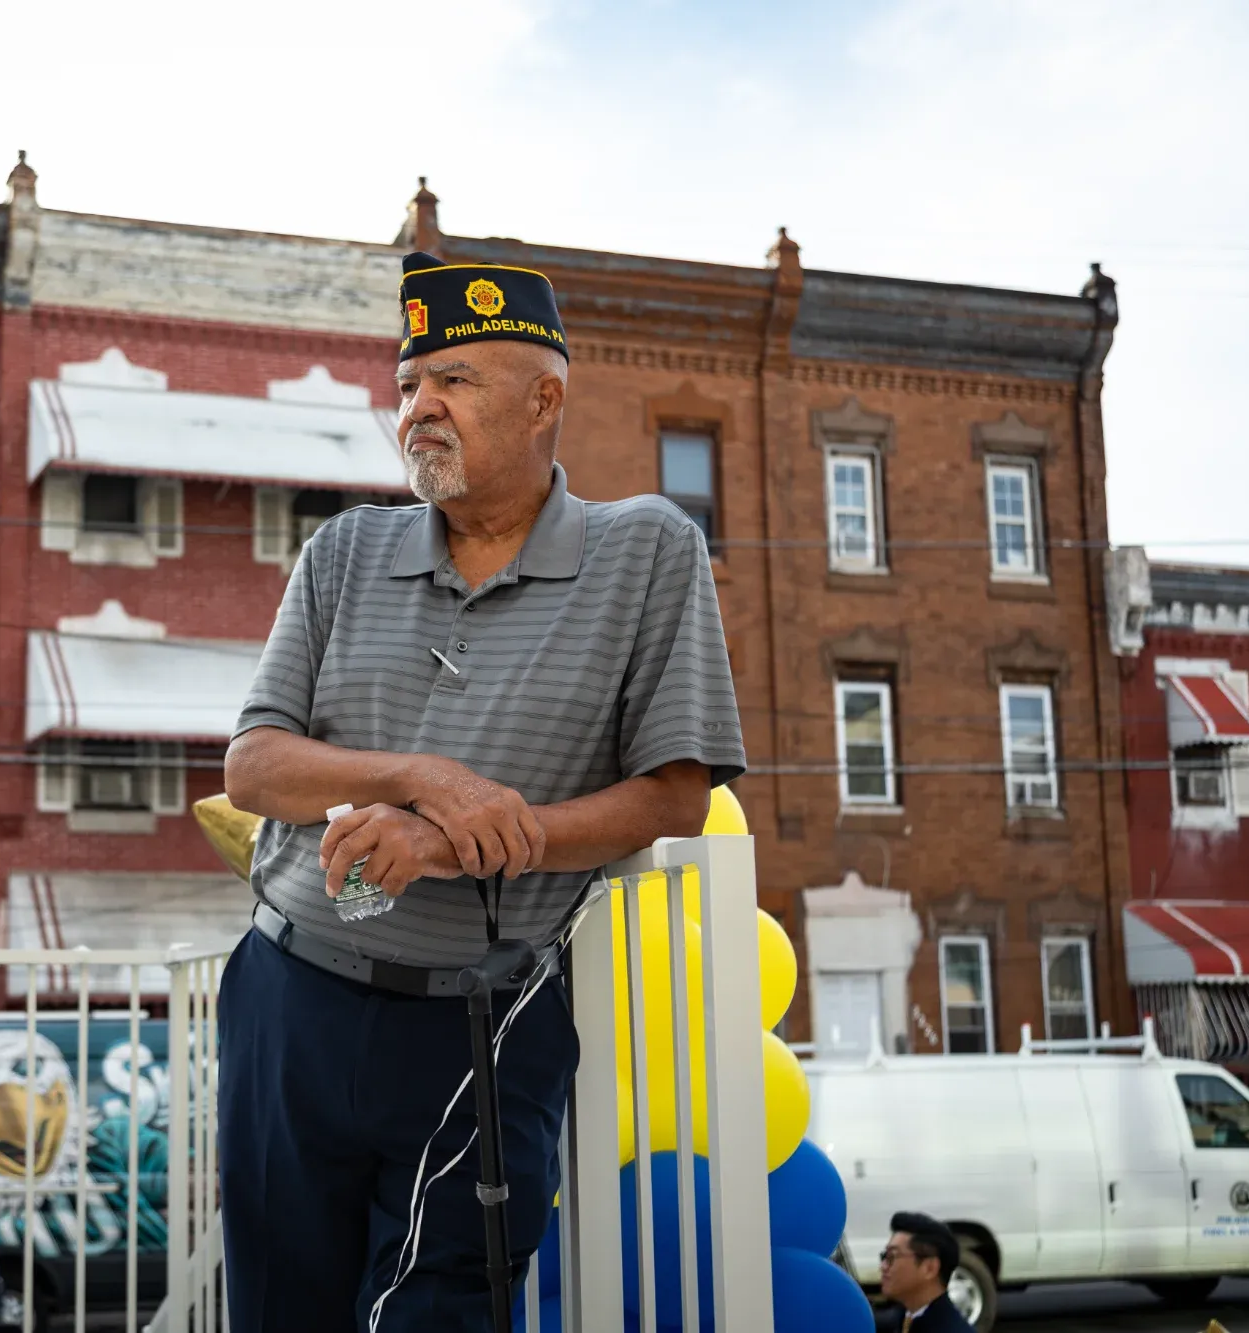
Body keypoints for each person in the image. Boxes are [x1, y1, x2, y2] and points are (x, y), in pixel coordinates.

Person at [218, 250, 747, 1332]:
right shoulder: (341, 550)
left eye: (451, 380)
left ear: (542, 398)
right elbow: (253, 766)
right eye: (408, 382)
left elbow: (670, 798)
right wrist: (420, 777)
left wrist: (447, 841)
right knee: (279, 1311)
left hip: (482, 1016)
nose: (417, 408)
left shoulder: (644, 551)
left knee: (443, 1314)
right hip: (290, 998)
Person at [878, 1212, 974, 1332]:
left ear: (930, 1268)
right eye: (884, 1256)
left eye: (891, 1257)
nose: (883, 1266)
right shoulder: (902, 1319)